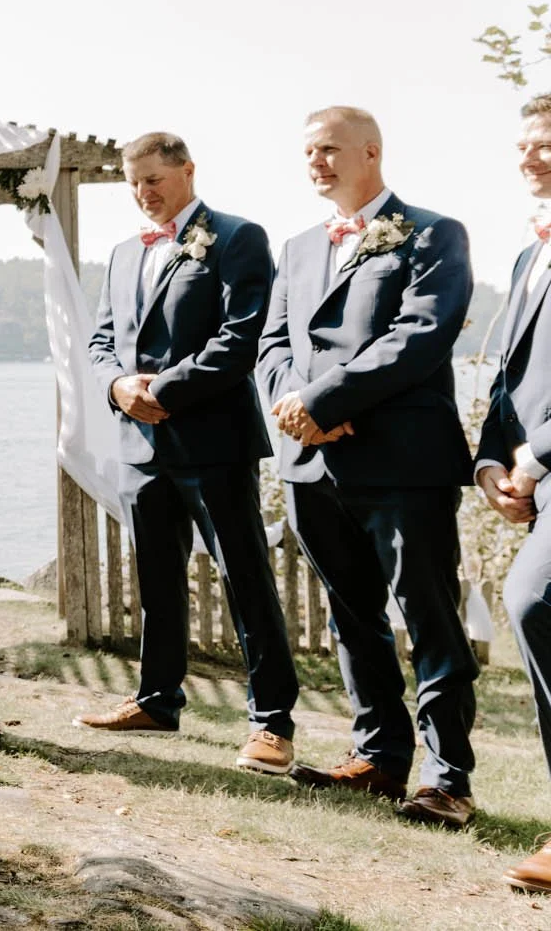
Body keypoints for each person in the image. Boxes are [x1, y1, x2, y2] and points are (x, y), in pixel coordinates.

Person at [258, 106, 478, 827]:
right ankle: (379, 757)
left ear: (371, 152)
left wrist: (328, 398)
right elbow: (271, 346)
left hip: (401, 459)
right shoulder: (296, 247)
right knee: (351, 616)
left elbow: (421, 334)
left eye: (329, 150)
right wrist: (296, 405)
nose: (316, 162)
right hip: (310, 461)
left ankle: (448, 778)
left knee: (429, 614)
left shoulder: (434, 233)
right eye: (308, 152)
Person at [80, 132, 299, 775]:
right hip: (139, 443)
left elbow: (243, 336)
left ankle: (271, 723)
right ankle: (156, 700)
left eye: (154, 180)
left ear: (186, 171)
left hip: (214, 441)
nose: (144, 194)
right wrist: (119, 386)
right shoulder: (123, 254)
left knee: (244, 577)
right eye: (133, 183)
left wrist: (164, 389)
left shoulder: (236, 237)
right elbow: (100, 342)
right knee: (156, 578)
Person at [474, 95, 551, 889]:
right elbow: (510, 374)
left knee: (535, 599)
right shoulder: (532, 255)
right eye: (525, 141)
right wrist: (492, 461)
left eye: (549, 142)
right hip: (536, 475)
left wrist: (537, 454)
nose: (532, 154)